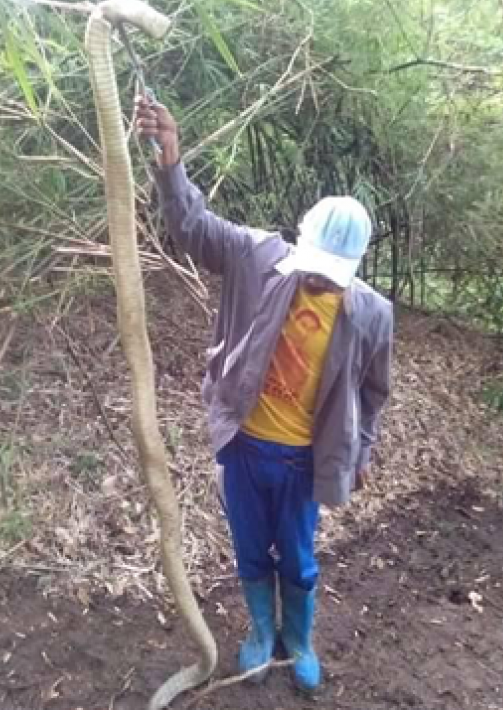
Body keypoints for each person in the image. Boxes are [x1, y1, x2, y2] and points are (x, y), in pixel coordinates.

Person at [134, 96, 393, 693]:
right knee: (250, 548)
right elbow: (193, 227)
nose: (320, 277)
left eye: (333, 271)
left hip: (305, 458)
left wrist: (362, 451)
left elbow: (374, 392)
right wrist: (170, 158)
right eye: (315, 264)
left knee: (297, 557)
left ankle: (297, 641)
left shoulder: (371, 313)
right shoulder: (257, 257)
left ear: (354, 266)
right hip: (246, 445)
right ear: (300, 241)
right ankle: (258, 630)